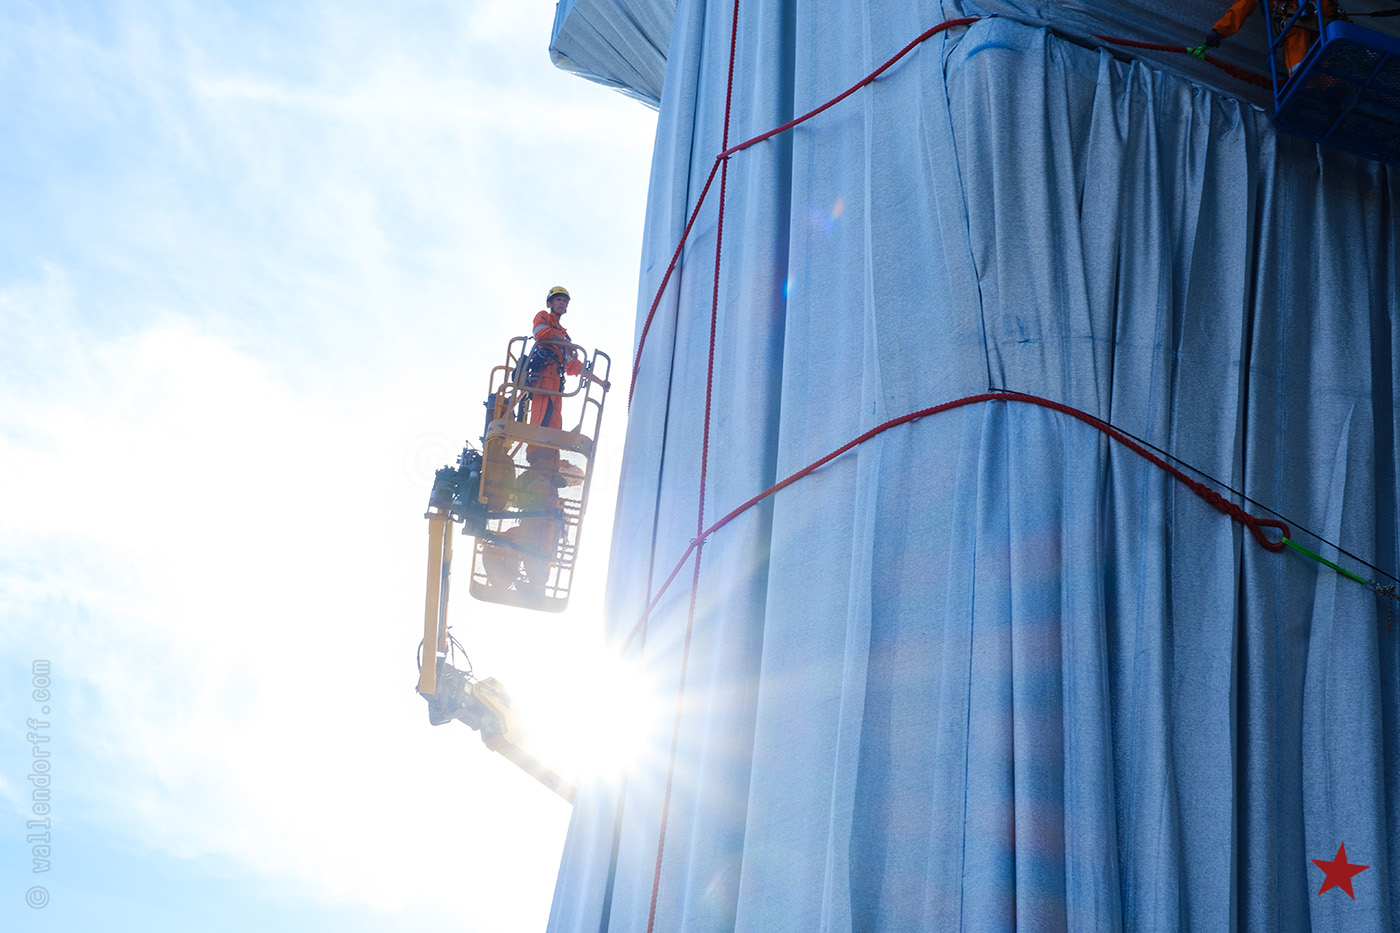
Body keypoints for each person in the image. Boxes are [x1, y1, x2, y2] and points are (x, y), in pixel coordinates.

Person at [1191, 0, 1342, 76]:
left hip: (1324, 20)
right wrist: (1218, 31)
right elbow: (1241, 9)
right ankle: (1309, 87)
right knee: (1301, 42)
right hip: (1299, 22)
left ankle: (1326, 87)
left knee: (1326, 50)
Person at [524, 286, 582, 468]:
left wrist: (600, 382)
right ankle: (535, 459)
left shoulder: (564, 335)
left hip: (556, 384)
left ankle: (552, 467)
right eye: (558, 300)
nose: (562, 303)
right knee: (542, 418)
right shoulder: (543, 317)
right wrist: (565, 342)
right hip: (543, 379)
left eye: (564, 301)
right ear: (550, 303)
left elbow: (574, 366)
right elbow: (540, 334)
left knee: (555, 426)